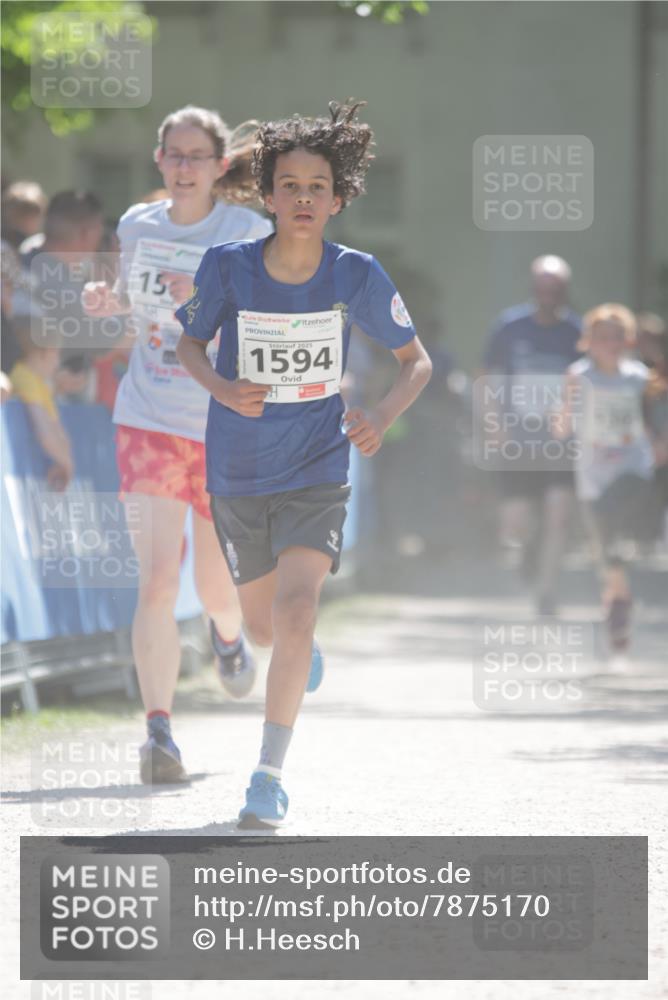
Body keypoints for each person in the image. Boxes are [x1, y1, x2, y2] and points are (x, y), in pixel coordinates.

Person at [175, 100, 432, 828]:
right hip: (237, 470)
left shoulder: (357, 275)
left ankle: (266, 776)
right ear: (267, 194)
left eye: (318, 186)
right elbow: (189, 345)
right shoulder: (227, 267)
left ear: (338, 197)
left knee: (295, 611)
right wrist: (223, 387)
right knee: (264, 630)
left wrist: (379, 416)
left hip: (319, 465)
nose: (304, 199)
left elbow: (416, 362)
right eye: (290, 185)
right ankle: (295, 647)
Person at [81, 106, 273, 784]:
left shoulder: (247, 230)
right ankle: (158, 734)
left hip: (223, 424)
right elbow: (134, 314)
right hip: (149, 416)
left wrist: (215, 299)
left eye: (198, 155)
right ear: (159, 161)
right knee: (158, 578)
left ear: (222, 166)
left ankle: (226, 637)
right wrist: (111, 305)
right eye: (175, 154)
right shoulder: (137, 226)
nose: (185, 166)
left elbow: (273, 315)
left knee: (215, 587)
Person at [481, 255, 581, 615]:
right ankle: (528, 554)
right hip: (517, 442)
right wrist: (494, 426)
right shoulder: (509, 328)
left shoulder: (576, 333)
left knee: (559, 515)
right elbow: (489, 379)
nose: (548, 294)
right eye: (542, 288)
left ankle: (547, 591)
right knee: (517, 522)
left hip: (560, 444)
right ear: (533, 289)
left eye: (555, 289)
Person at [556, 304, 656, 658]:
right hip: (593, 474)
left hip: (633, 469)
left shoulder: (639, 377)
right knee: (605, 550)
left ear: (628, 341)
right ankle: (619, 601)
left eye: (617, 337)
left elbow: (651, 421)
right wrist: (562, 421)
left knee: (615, 528)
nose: (610, 344)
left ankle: (617, 602)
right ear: (588, 342)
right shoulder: (578, 375)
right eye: (602, 338)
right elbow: (563, 424)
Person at [8, 296, 73, 490]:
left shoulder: (40, 385)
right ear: (42, 352)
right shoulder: (23, 376)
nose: (57, 361)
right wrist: (67, 465)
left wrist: (66, 461)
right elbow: (44, 430)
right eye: (56, 353)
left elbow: (58, 432)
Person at [1, 180, 47, 251]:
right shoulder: (3, 246)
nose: (28, 219)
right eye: (23, 213)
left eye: (34, 212)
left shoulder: (42, 244)